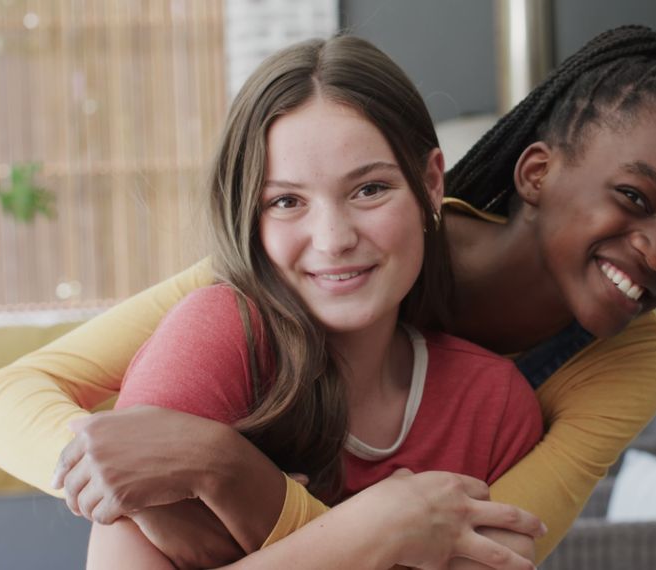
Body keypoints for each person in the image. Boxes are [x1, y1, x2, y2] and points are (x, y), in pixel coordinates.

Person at [0, 23, 656, 568]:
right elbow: (8, 397)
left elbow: (487, 555)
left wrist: (237, 485)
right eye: (634, 198)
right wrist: (149, 465)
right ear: (534, 173)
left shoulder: (564, 381)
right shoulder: (266, 294)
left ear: (425, 183)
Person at [79, 35, 544, 569]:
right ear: (249, 218)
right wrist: (378, 527)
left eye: (369, 189)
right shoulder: (213, 339)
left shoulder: (494, 405)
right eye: (286, 201)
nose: (333, 238)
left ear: (431, 184)